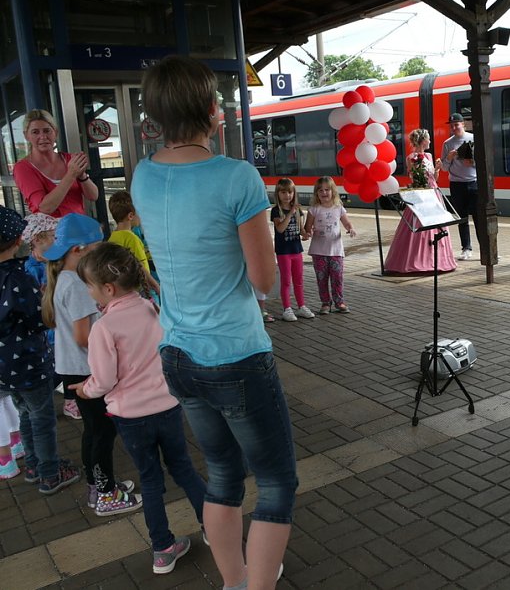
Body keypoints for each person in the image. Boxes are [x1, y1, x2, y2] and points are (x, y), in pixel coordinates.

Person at [132, 55, 298, 589]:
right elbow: (265, 280)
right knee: (275, 484)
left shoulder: (142, 173)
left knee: (223, 477)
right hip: (236, 354)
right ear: (212, 111)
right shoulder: (237, 177)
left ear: (155, 114)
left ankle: (233, 581)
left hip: (177, 353)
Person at [71, 243, 206, 575]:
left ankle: (162, 550)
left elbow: (103, 381)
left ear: (108, 288)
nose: (88, 293)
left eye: (89, 286)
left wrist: (84, 390)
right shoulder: (150, 307)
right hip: (168, 408)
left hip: (131, 419)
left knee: (150, 480)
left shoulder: (104, 328)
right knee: (185, 470)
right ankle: (215, 529)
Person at [43, 213, 140, 515]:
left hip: (76, 368)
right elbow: (85, 336)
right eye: (97, 248)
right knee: (102, 432)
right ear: (78, 250)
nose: (101, 254)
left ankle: (98, 487)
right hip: (87, 369)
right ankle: (106, 493)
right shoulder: (75, 286)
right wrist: (113, 352)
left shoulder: (68, 279)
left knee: (94, 431)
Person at [0, 206, 81, 493]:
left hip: (4, 370)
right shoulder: (19, 277)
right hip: (29, 364)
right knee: (42, 418)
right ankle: (50, 473)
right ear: (17, 240)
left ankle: (34, 465)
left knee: (25, 413)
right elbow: (40, 319)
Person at [21, 214, 75, 418]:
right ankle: (37, 407)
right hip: (49, 330)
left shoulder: (53, 263)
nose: (56, 240)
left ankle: (68, 401)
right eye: (52, 235)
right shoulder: (30, 270)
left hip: (60, 326)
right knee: (54, 369)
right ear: (36, 239)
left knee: (63, 365)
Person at [385, 128, 457, 274]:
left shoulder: (429, 156)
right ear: (423, 140)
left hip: (433, 192)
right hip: (421, 194)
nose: (430, 141)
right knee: (418, 222)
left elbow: (434, 178)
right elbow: (414, 178)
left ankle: (438, 259)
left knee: (436, 223)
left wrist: (437, 169)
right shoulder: (411, 157)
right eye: (428, 138)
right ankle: (416, 259)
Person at [12, 109, 99, 217]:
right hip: (50, 232)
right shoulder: (23, 168)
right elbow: (45, 207)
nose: (43, 137)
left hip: (78, 228)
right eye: (35, 132)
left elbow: (93, 196)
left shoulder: (69, 159)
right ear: (26, 136)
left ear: (56, 133)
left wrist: (82, 175)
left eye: (47, 131)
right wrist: (71, 174)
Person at [304, 176, 357, 314]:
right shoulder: (314, 209)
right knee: (321, 279)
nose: (324, 193)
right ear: (316, 193)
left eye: (327, 190)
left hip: (336, 251)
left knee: (337, 277)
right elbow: (307, 227)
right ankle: (325, 303)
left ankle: (339, 302)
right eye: (320, 190)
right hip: (318, 251)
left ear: (333, 191)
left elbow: (346, 222)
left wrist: (350, 228)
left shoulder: (338, 208)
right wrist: (308, 232)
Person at [272, 177, 314, 321]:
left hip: (297, 250)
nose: (287, 195)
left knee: (299, 280)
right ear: (278, 194)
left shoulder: (298, 211)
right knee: (286, 281)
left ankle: (301, 306)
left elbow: (301, 229)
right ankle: (287, 308)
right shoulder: (276, 211)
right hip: (283, 252)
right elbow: (280, 228)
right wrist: (290, 214)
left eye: (290, 192)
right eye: (283, 192)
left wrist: (306, 234)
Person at [107, 191, 161, 300]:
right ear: (131, 216)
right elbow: (140, 267)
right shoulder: (131, 238)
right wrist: (156, 286)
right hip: (143, 290)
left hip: (127, 291)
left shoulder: (112, 238)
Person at [439, 113, 477, 260]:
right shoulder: (447, 143)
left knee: (479, 217)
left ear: (463, 124)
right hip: (456, 184)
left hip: (474, 183)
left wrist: (473, 163)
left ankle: (485, 248)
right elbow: (443, 168)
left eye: (457, 124)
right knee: (462, 218)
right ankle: (466, 248)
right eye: (452, 125)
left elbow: (483, 161)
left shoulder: (473, 139)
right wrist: (448, 158)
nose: (454, 127)